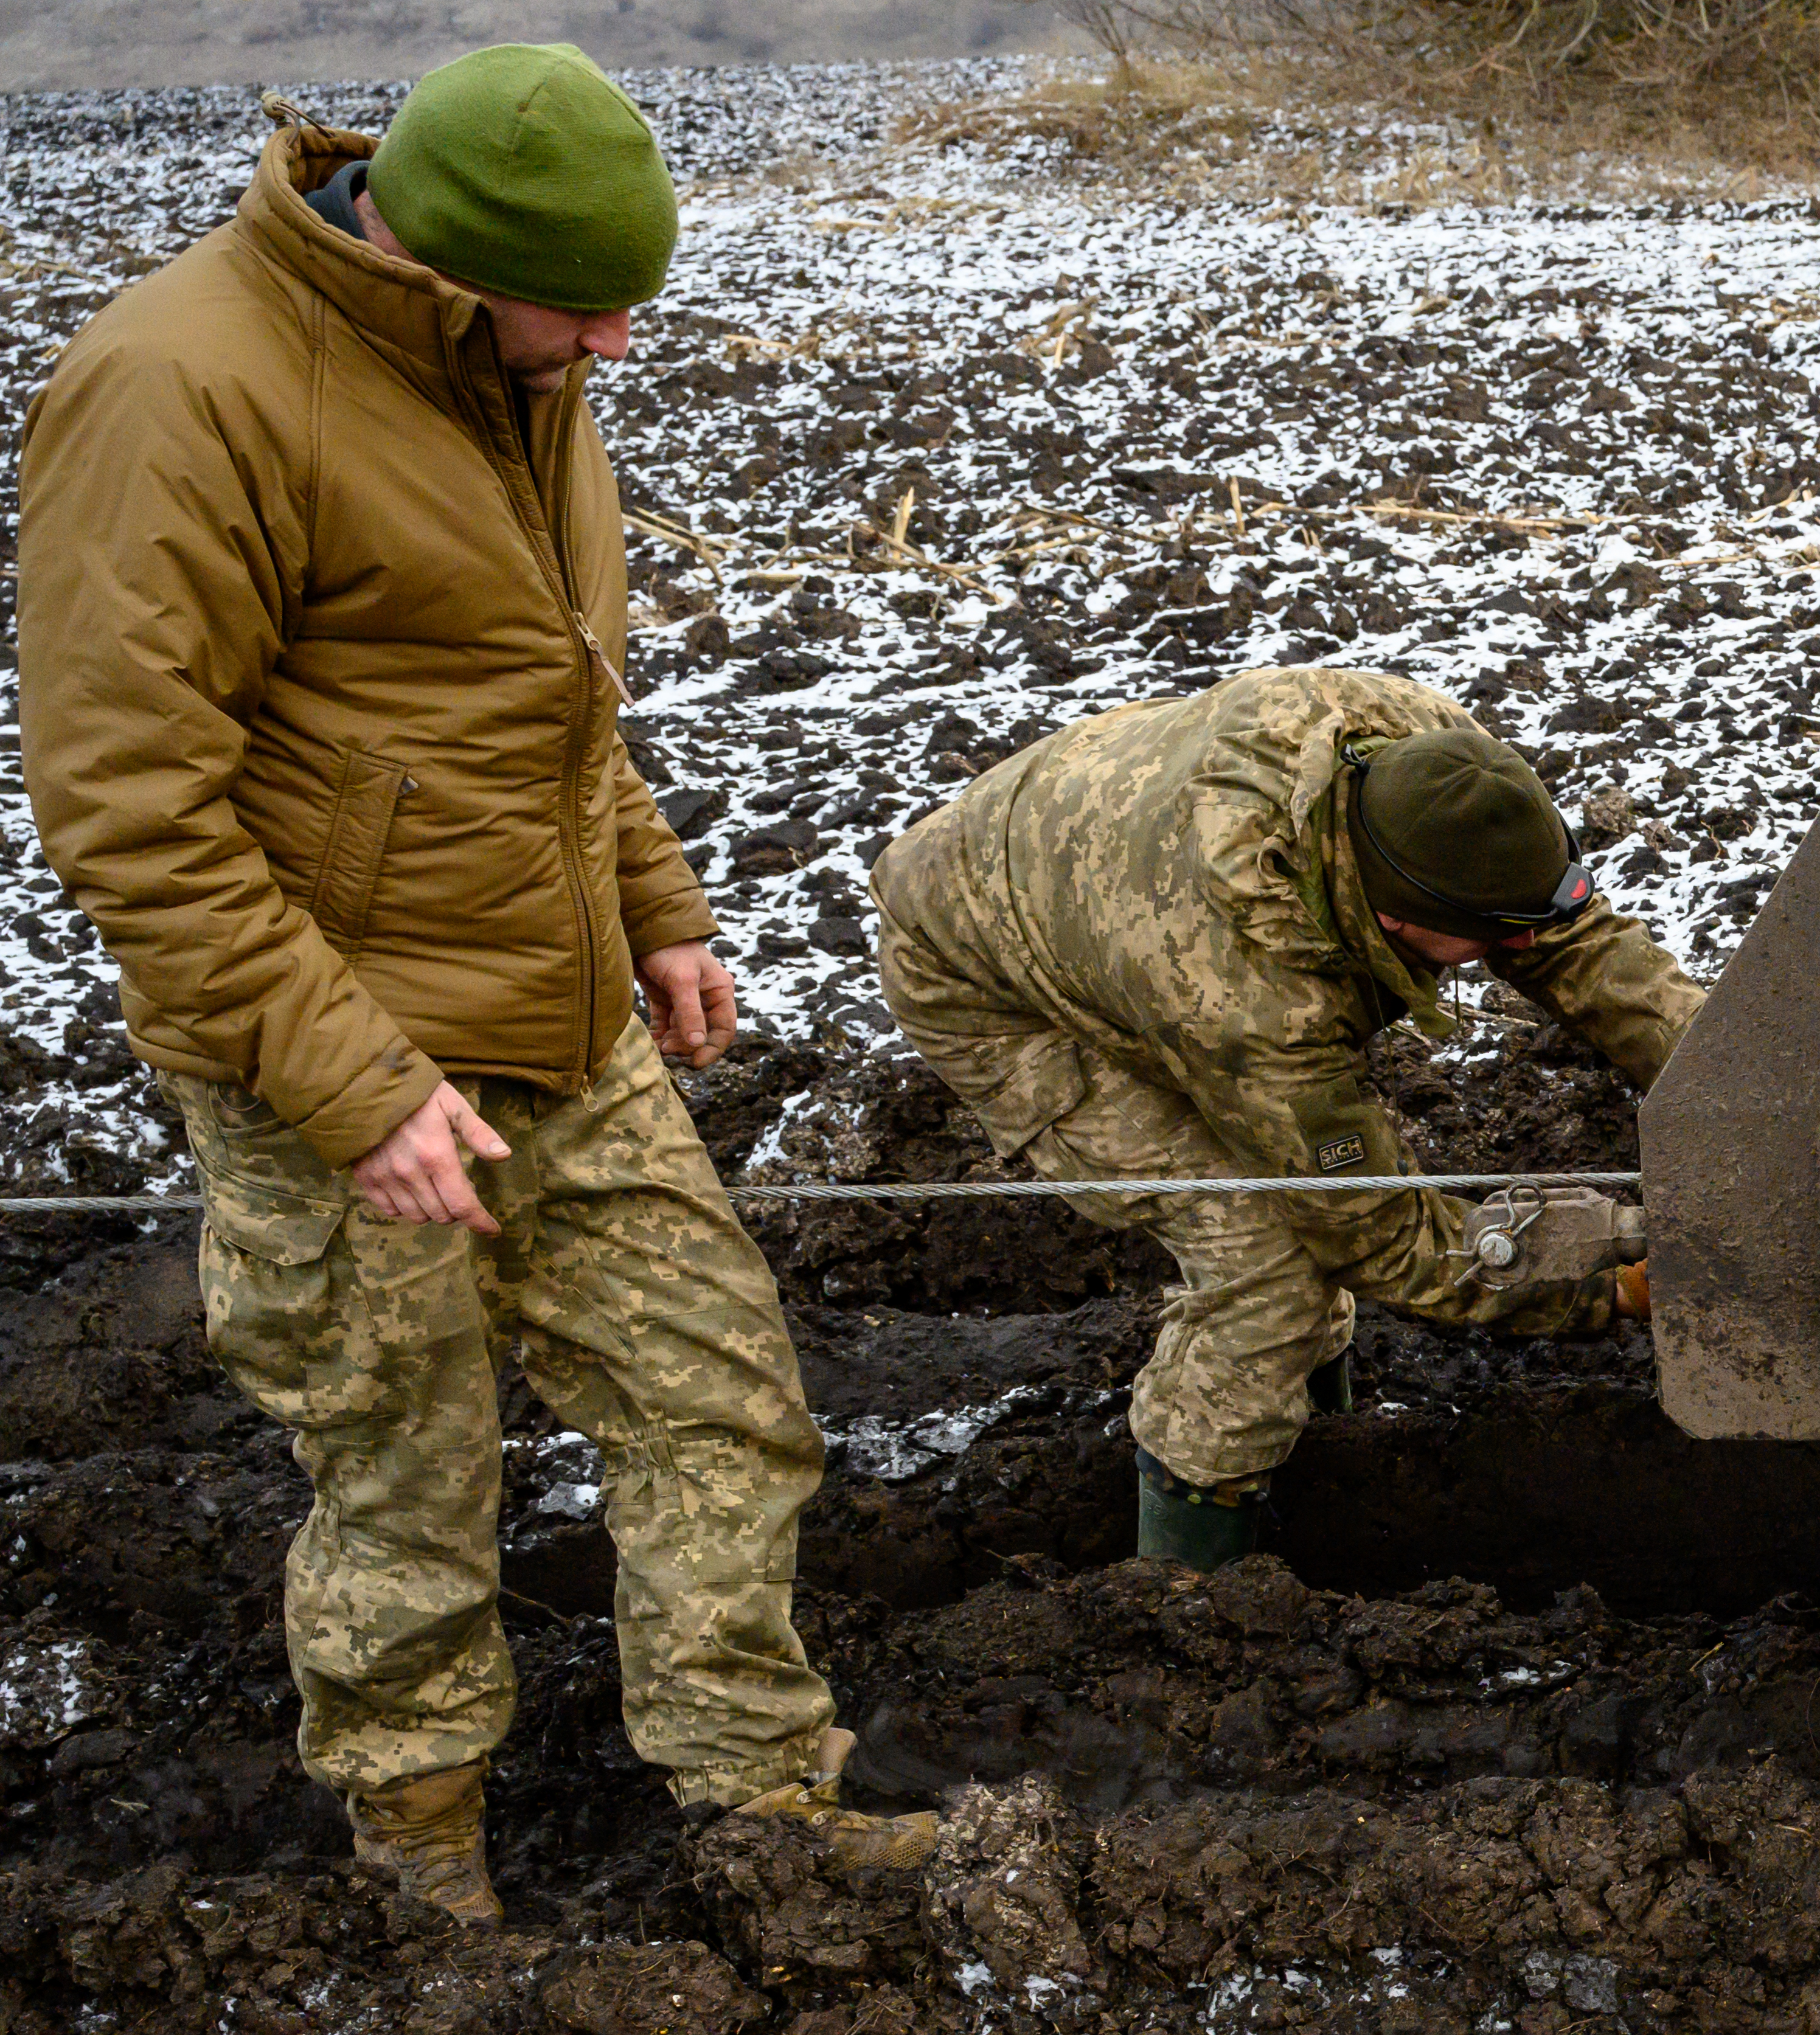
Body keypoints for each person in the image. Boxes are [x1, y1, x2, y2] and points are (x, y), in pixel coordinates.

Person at [15, 47, 930, 1928]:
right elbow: (128, 811)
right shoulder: (183, 387)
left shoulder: (503, 365)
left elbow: (536, 696)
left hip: (560, 1020)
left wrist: (657, 904)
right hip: (328, 1053)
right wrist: (350, 1086)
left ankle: (759, 1807)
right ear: (441, 259)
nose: (613, 345)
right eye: (583, 306)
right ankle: (421, 1865)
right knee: (408, 1482)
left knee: (722, 1401)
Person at [864, 667, 1703, 1566]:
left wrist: (1742, 1081)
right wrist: (1602, 1292)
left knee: (1300, 1213)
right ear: (1396, 918)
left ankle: (1321, 1476)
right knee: (1268, 1268)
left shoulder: (1437, 765)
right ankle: (1186, 1598)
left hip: (1099, 878)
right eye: (1494, 937)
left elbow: (1571, 939)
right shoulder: (1255, 1000)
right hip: (987, 975)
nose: (1522, 950)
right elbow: (1373, 1234)